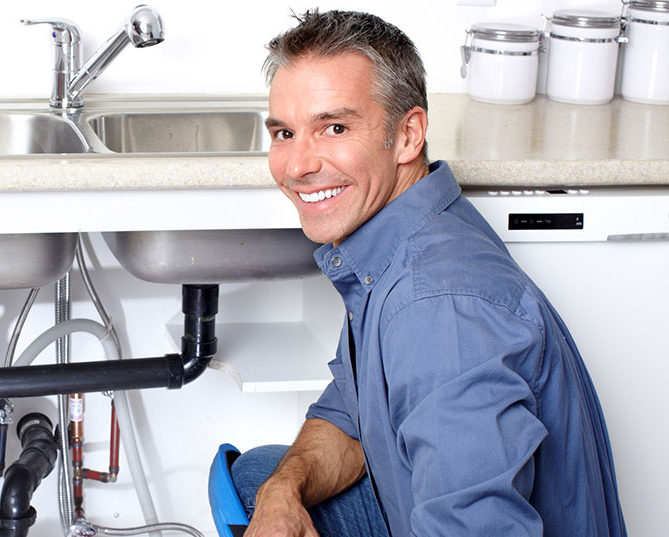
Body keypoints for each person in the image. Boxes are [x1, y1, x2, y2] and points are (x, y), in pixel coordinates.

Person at [232, 9, 627, 537]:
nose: (298, 165)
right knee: (263, 477)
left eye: (334, 127)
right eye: (284, 132)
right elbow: (353, 415)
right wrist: (282, 493)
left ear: (408, 135)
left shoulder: (438, 308)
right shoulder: (401, 237)